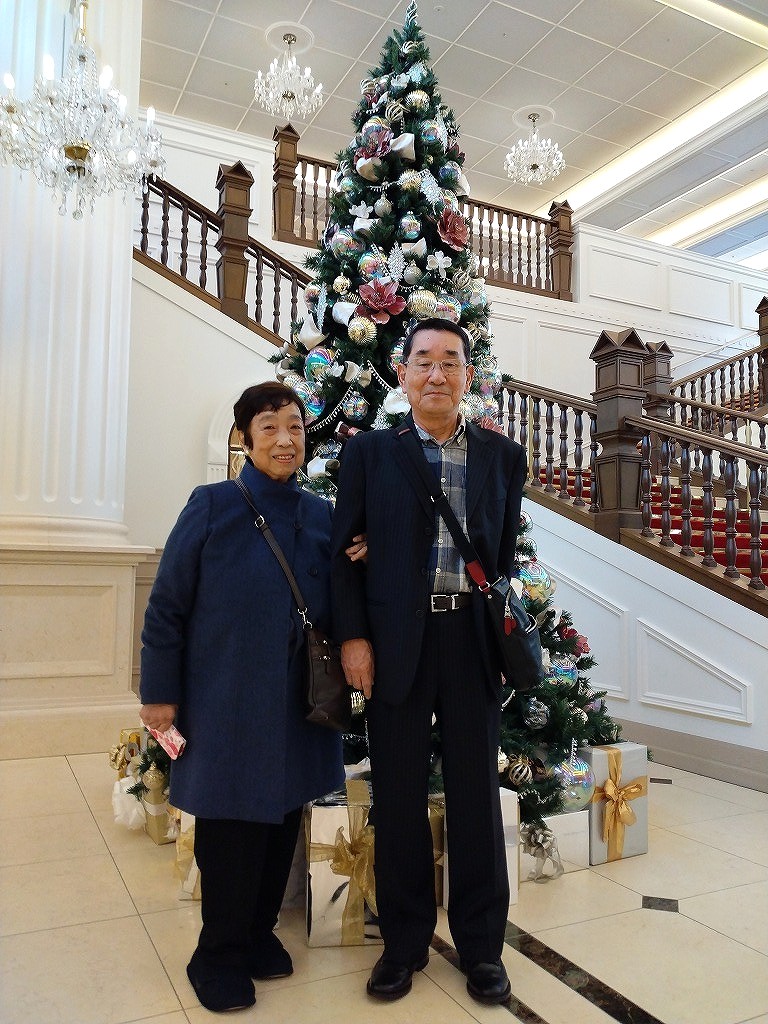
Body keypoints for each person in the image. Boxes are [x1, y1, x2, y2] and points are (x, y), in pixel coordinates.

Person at [331, 318, 526, 1007]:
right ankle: (404, 943)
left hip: (470, 641)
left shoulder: (503, 457)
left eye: (450, 361)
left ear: (468, 375)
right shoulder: (370, 454)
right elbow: (343, 555)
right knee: (398, 795)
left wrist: (498, 638)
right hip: (394, 645)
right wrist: (354, 640)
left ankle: (482, 947)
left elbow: (501, 557)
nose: (437, 374)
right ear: (403, 373)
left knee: (476, 797)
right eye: (424, 361)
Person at [139, 381, 345, 1014]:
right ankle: (217, 954)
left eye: (295, 427)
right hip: (226, 701)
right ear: (246, 439)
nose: (285, 440)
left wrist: (360, 559)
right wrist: (159, 694)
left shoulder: (321, 514)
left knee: (281, 817)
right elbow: (167, 605)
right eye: (269, 428)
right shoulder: (213, 505)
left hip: (297, 704)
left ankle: (256, 933)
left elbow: (335, 599)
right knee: (230, 827)